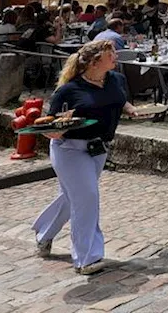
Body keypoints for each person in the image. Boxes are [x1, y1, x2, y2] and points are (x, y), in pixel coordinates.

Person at [32, 39, 140, 274]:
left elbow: (120, 101)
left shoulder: (115, 79)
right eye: (110, 53)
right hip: (69, 148)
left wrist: (132, 110)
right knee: (88, 198)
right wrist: (56, 130)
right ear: (94, 62)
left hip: (98, 148)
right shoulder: (69, 90)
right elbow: (51, 124)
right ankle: (87, 257)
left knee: (73, 198)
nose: (116, 56)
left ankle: (44, 234)